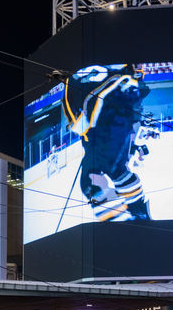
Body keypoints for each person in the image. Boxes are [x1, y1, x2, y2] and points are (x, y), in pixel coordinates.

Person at [62, 63, 153, 223]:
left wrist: (79, 124)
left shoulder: (77, 53)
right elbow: (138, 72)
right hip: (125, 101)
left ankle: (121, 225)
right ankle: (139, 213)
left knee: (91, 180)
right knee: (117, 170)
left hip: (104, 108)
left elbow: (69, 93)